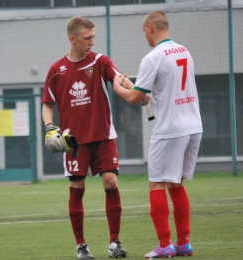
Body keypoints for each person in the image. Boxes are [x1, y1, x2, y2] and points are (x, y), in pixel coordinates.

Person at [113, 10, 203, 259]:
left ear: (151, 27)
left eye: (144, 31)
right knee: (176, 184)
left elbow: (135, 98)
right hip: (193, 125)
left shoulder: (153, 57)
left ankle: (165, 245)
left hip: (170, 129)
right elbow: (156, 93)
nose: (144, 36)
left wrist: (119, 87)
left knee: (156, 184)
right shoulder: (183, 51)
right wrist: (135, 86)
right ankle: (183, 242)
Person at [41, 16, 131, 259]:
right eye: (87, 38)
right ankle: (81, 245)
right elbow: (47, 105)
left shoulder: (101, 61)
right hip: (75, 142)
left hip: (103, 135)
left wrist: (138, 93)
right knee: (76, 188)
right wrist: (50, 128)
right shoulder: (56, 70)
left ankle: (115, 242)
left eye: (93, 37)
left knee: (111, 182)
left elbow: (120, 81)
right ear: (73, 39)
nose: (92, 42)